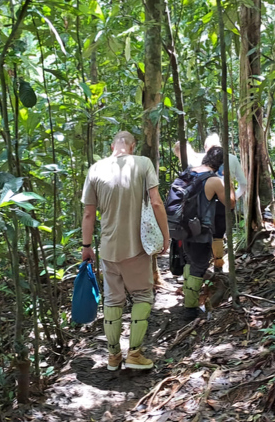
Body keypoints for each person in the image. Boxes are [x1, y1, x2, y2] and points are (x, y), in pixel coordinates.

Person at [81, 131, 171, 371]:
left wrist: (86, 246)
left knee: (112, 300)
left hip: (108, 249)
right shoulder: (143, 163)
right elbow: (156, 202)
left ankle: (113, 357)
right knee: (142, 296)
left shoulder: (95, 169)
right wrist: (166, 235)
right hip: (136, 247)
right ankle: (135, 353)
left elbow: (89, 213)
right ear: (132, 146)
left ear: (113, 146)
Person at [182, 146, 235, 320]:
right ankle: (190, 309)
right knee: (198, 266)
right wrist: (230, 183)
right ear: (220, 165)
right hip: (199, 229)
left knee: (190, 263)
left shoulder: (186, 174)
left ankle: (189, 301)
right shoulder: (212, 180)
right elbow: (230, 203)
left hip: (181, 227)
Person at [204, 133, 247, 271]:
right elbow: (244, 183)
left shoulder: (203, 161)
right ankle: (218, 266)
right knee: (219, 235)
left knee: (204, 232)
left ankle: (205, 267)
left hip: (207, 203)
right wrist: (235, 197)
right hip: (225, 203)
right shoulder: (232, 159)